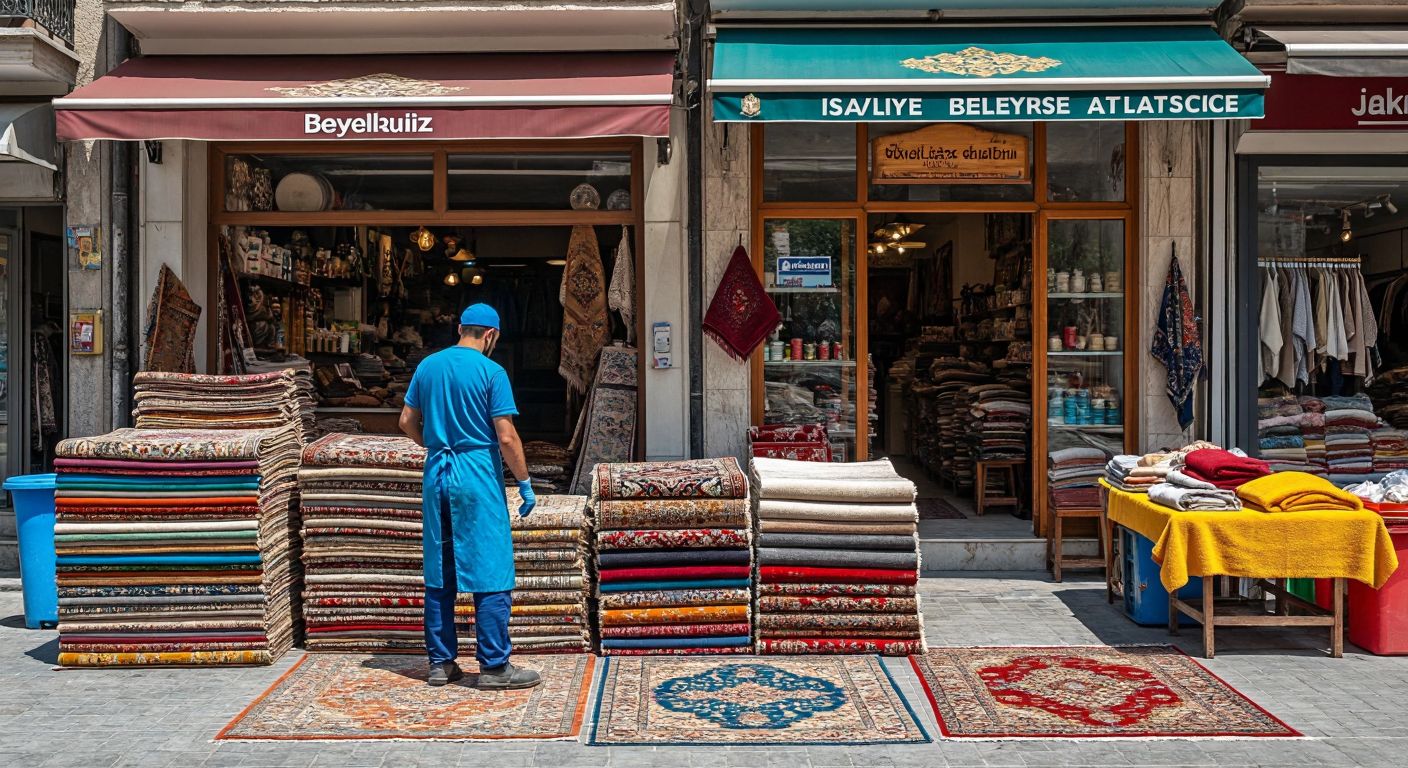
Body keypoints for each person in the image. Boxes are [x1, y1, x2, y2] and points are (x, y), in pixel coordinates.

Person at [399, 303, 541, 689]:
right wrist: (524, 482)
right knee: (491, 567)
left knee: (440, 569)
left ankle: (441, 664)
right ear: (491, 335)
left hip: (437, 473)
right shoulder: (492, 372)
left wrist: (432, 443)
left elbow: (406, 421)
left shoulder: (428, 366)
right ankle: (494, 667)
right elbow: (506, 436)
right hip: (476, 473)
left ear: (460, 327)